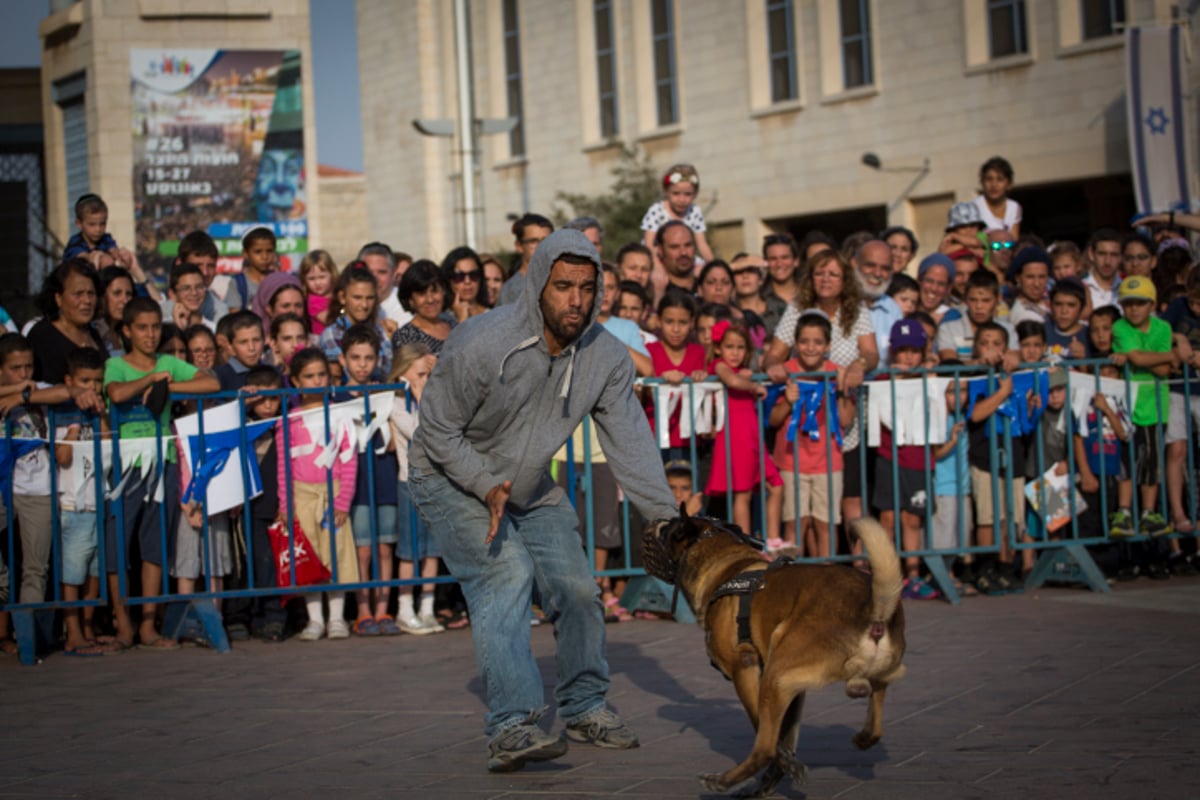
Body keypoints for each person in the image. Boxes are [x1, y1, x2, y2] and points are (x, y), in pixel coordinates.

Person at [408, 228, 677, 771]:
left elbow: (631, 441)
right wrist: (485, 486)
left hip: (528, 484)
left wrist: (668, 519)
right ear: (537, 285)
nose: (575, 300)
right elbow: (435, 430)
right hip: (448, 475)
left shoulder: (606, 356)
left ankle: (583, 706)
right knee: (505, 575)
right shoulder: (483, 341)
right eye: (562, 286)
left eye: (586, 286)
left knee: (579, 589)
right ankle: (511, 724)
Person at [104, 296, 220, 649]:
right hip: (125, 466)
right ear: (126, 330)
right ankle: (122, 621)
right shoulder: (116, 364)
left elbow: (210, 383)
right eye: (142, 327)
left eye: (156, 326)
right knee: (117, 546)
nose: (151, 334)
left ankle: (148, 625)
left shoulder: (169, 362)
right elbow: (116, 393)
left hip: (162, 461)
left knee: (154, 546)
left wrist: (166, 388)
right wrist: (151, 380)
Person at [279, 347, 359, 641]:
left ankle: (337, 618)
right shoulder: (287, 420)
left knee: (336, 555)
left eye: (321, 374)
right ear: (297, 381)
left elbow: (349, 460)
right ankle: (315, 620)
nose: (316, 381)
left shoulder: (340, 414)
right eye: (309, 376)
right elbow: (283, 466)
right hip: (302, 496)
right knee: (310, 558)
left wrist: (343, 500)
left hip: (333, 492)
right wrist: (286, 504)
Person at [768, 311, 857, 557]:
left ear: (828, 346)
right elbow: (773, 420)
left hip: (828, 463)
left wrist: (840, 390)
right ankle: (793, 578)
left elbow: (847, 419)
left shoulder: (837, 373)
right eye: (805, 341)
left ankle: (827, 581)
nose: (810, 348)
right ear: (795, 344)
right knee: (795, 523)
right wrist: (786, 401)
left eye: (818, 342)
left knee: (825, 525)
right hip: (790, 461)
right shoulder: (784, 372)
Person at [338, 325, 402, 636]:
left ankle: (383, 610)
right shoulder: (334, 396)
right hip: (355, 485)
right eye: (355, 357)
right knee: (362, 551)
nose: (362, 364)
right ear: (342, 359)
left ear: (378, 359)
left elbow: (394, 439)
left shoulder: (385, 394)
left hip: (385, 477)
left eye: (368, 357)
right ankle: (362, 611)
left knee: (384, 549)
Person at [52, 346, 114, 655]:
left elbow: (107, 454)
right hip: (73, 505)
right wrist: (77, 424)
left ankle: (88, 628)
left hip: (96, 503)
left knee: (93, 573)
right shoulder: (64, 414)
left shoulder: (99, 414)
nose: (91, 388)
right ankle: (72, 631)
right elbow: (62, 457)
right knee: (72, 574)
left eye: (96, 381)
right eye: (85, 380)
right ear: (70, 381)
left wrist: (100, 418)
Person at [873, 320, 940, 600]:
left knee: (911, 519)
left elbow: (944, 404)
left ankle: (913, 575)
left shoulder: (931, 377)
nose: (909, 357)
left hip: (917, 458)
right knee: (888, 518)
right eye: (903, 351)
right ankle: (890, 576)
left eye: (914, 350)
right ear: (893, 352)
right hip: (888, 457)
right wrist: (897, 379)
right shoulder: (882, 378)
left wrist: (931, 375)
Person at [705, 319, 783, 545]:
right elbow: (731, 380)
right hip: (735, 436)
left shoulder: (745, 371)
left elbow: (738, 376)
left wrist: (748, 377)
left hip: (752, 437)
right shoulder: (719, 366)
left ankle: (773, 538)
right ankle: (746, 544)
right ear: (719, 348)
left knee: (776, 485)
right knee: (743, 492)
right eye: (730, 347)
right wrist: (752, 386)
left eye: (740, 347)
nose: (735, 353)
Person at [1111, 276, 1174, 538]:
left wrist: (1152, 359)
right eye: (1129, 304)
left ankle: (1149, 513)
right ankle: (1124, 512)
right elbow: (1142, 358)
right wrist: (1173, 354)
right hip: (1126, 404)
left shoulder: (1163, 328)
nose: (1134, 309)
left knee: (1152, 460)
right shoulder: (1119, 327)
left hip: (1155, 406)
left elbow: (1162, 370)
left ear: (1152, 305)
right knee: (1126, 460)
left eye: (1140, 303)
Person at [389, 343, 444, 635]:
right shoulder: (397, 405)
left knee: (433, 550)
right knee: (410, 550)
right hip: (410, 482)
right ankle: (405, 608)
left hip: (437, 482)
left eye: (428, 375)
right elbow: (421, 434)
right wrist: (421, 397)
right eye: (419, 375)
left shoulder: (435, 401)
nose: (424, 381)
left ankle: (427, 608)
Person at [0, 335, 54, 613]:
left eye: (28, 367)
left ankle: (27, 636)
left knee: (36, 567)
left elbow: (67, 392)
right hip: (4, 488)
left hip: (37, 490)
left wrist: (23, 394)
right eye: (15, 368)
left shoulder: (35, 389)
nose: (24, 374)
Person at [645, 291, 708, 460]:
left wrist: (703, 379)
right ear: (658, 321)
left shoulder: (699, 353)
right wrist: (661, 380)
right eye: (669, 321)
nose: (676, 329)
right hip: (653, 439)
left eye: (683, 322)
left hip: (690, 441)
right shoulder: (649, 351)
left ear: (692, 323)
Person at [1161, 269, 1200, 535]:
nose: (1197, 308)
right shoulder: (1177, 307)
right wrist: (1179, 338)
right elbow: (1158, 333)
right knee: (1177, 450)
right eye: (1194, 301)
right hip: (1177, 388)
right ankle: (1178, 513)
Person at [320, 263, 394, 379]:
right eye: (357, 298)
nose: (364, 305)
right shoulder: (332, 334)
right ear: (342, 298)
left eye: (370, 298)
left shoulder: (381, 331)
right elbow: (347, 374)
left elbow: (389, 372)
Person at [641, 163, 714, 264]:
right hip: (656, 258)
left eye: (687, 194)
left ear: (695, 194)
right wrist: (657, 267)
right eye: (676, 193)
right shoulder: (657, 211)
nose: (681, 199)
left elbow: (702, 244)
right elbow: (648, 244)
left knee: (700, 269)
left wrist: (714, 266)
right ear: (666, 191)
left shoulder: (694, 212)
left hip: (682, 257)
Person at [392, 260, 455, 355]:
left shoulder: (454, 325)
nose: (430, 300)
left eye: (435, 291)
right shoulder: (406, 336)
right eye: (422, 294)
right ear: (410, 300)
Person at [499, 213, 554, 305]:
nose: (541, 246)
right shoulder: (511, 291)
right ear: (519, 246)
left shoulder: (560, 280)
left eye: (546, 240)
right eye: (533, 241)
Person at [175, 231, 228, 323]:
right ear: (180, 264)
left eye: (210, 266)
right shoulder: (162, 312)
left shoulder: (220, 312)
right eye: (198, 266)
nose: (205, 273)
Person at [358, 241, 411, 332]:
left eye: (382, 272)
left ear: (394, 274)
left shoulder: (406, 309)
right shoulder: (347, 303)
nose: (374, 278)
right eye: (369, 272)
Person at [225, 227, 278, 311]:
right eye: (258, 251)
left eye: (269, 251)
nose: (264, 257)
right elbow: (235, 317)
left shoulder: (279, 281)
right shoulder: (238, 284)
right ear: (245, 253)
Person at [215, 311, 267, 393]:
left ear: (264, 340)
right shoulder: (219, 376)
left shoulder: (273, 372)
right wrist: (241, 402)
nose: (251, 348)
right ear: (230, 347)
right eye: (243, 342)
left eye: (256, 340)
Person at [972, 156, 1022, 235]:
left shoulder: (1014, 207)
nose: (994, 185)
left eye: (1000, 179)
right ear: (982, 182)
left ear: (1009, 184)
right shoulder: (974, 207)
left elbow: (1014, 240)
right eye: (989, 179)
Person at [1044, 278, 1089, 361]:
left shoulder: (1090, 335)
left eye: (1071, 305)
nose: (1064, 311)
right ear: (1050, 305)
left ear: (1082, 308)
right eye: (1058, 304)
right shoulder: (1041, 332)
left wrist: (1082, 361)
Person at [442, 246, 491, 320]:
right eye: (459, 276)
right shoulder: (442, 319)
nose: (467, 281)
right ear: (449, 280)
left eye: (473, 275)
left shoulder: (491, 315)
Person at [96, 266, 135, 356]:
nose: (125, 300)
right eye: (117, 293)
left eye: (128, 294)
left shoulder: (125, 334)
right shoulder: (92, 333)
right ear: (102, 296)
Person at [1007, 247, 1051, 326]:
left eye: (1042, 277)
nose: (1037, 284)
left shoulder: (1045, 304)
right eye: (1030, 277)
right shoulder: (1024, 316)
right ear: (1018, 278)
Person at [300, 250, 339, 336]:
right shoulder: (313, 300)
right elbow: (329, 320)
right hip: (322, 340)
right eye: (311, 279)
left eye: (322, 277)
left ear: (332, 274)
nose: (317, 283)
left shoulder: (336, 294)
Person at [655, 221, 699, 295]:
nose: (683, 253)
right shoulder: (655, 292)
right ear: (660, 250)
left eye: (688, 245)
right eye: (674, 247)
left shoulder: (707, 288)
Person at [1083, 228, 1123, 311]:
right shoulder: (1080, 289)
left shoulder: (1128, 289)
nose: (1107, 261)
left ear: (1121, 257)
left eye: (1114, 255)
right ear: (1091, 254)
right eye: (1102, 254)